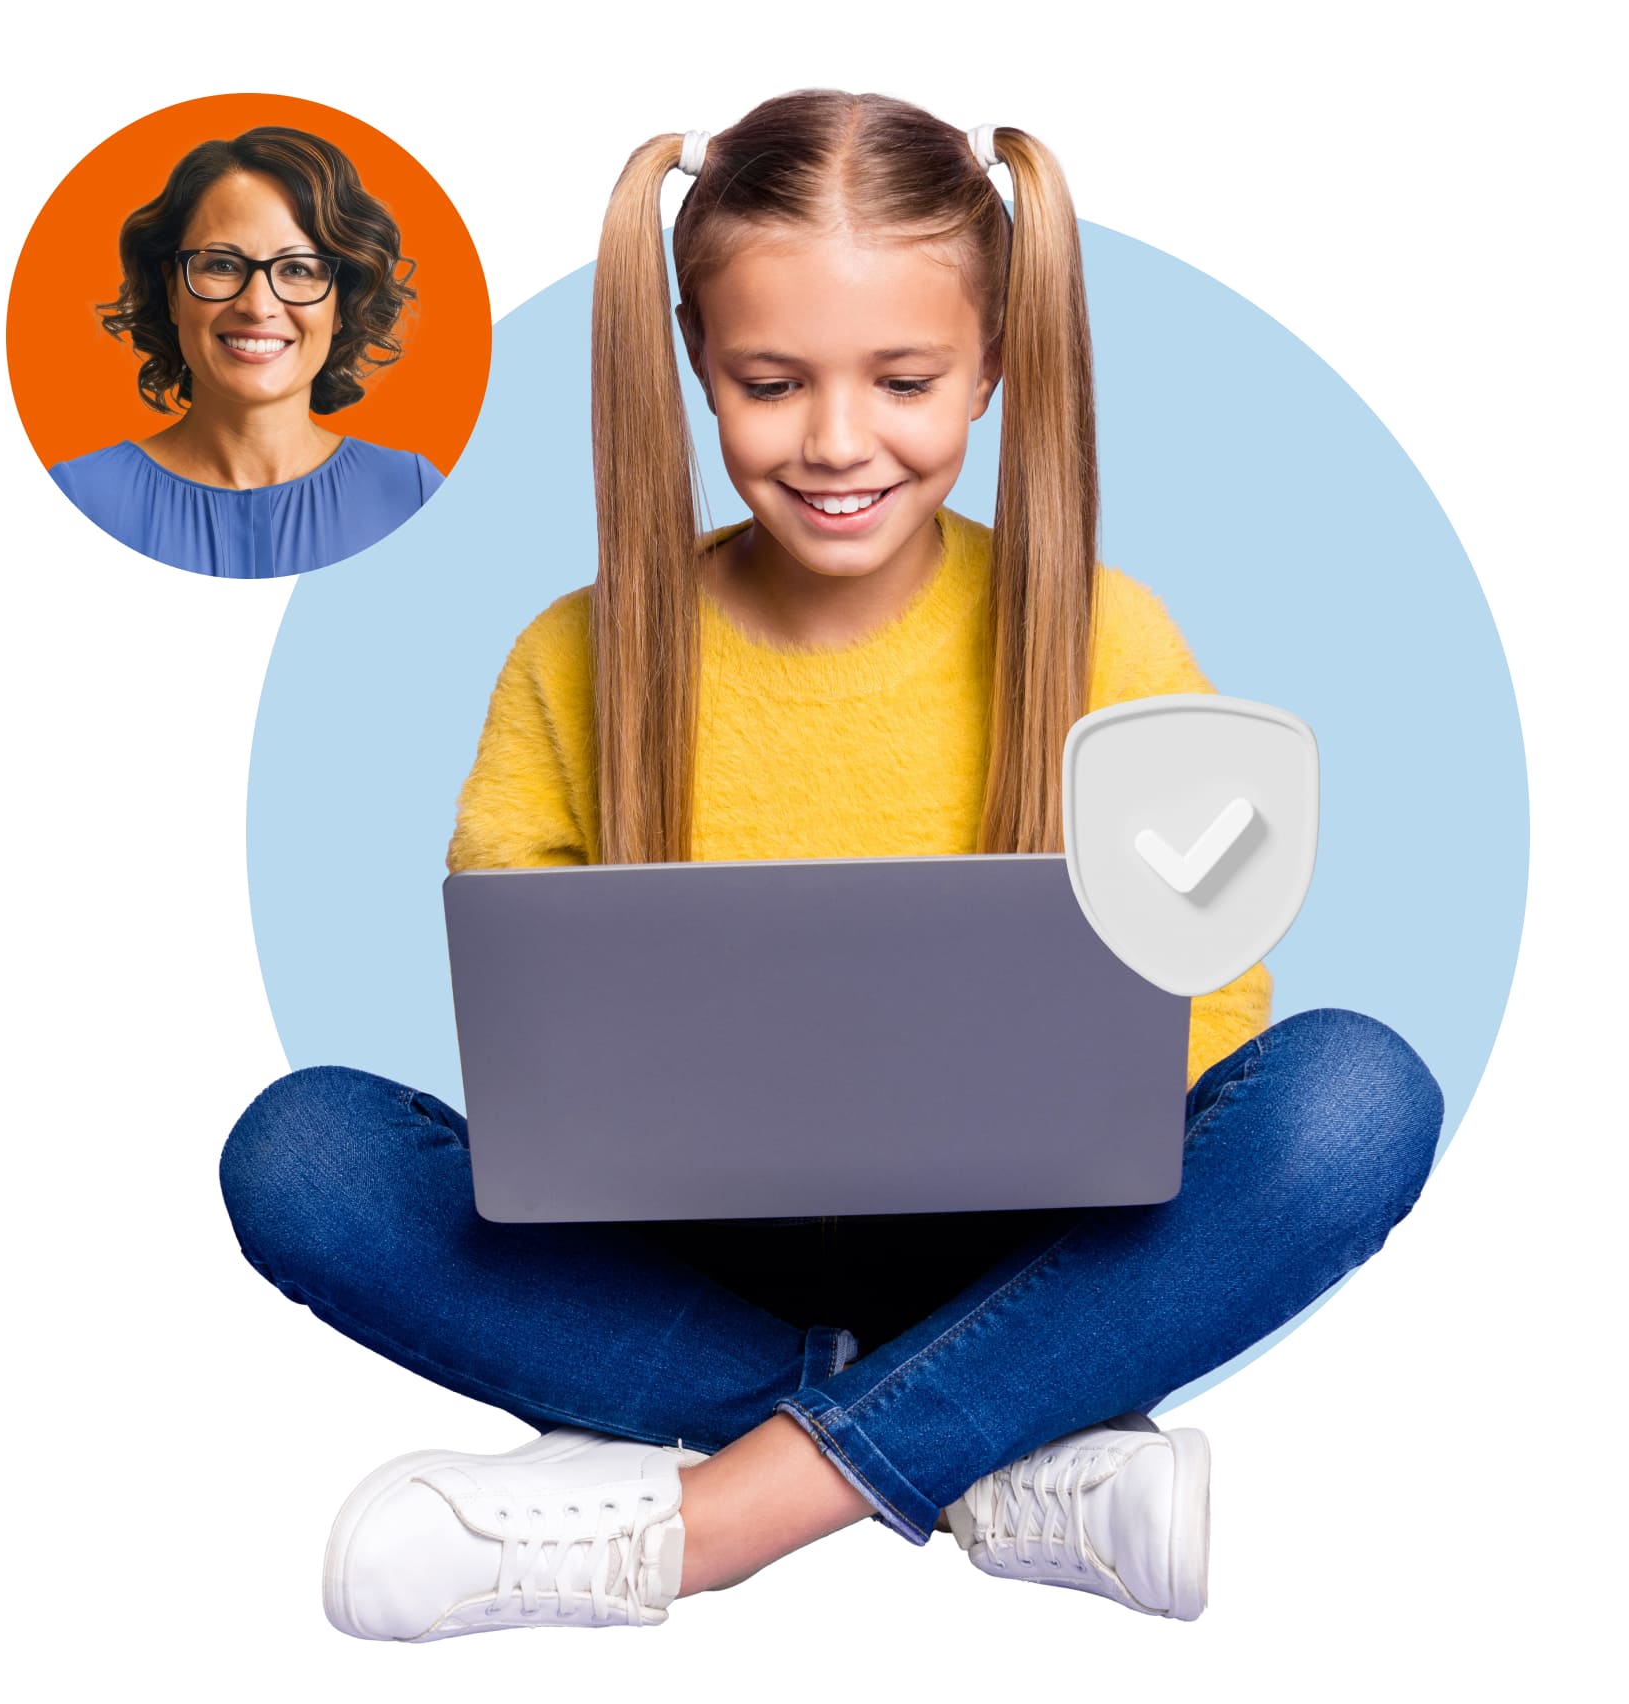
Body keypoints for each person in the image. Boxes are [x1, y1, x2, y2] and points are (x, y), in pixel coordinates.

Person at [221, 91, 1444, 1637]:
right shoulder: (574, 654)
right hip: (680, 1261)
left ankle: (719, 1517)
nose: (838, 440)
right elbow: (526, 1033)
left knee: (1356, 1099)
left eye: (906, 378)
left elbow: (1211, 1013)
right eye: (771, 381)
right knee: (303, 1156)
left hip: (1025, 1249)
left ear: (994, 360)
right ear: (692, 359)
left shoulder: (1109, 636)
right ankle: (986, 1452)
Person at [49, 126, 442, 578]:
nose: (257, 306)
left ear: (341, 305)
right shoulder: (78, 498)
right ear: (173, 292)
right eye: (221, 265)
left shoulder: (412, 494)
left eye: (298, 268)